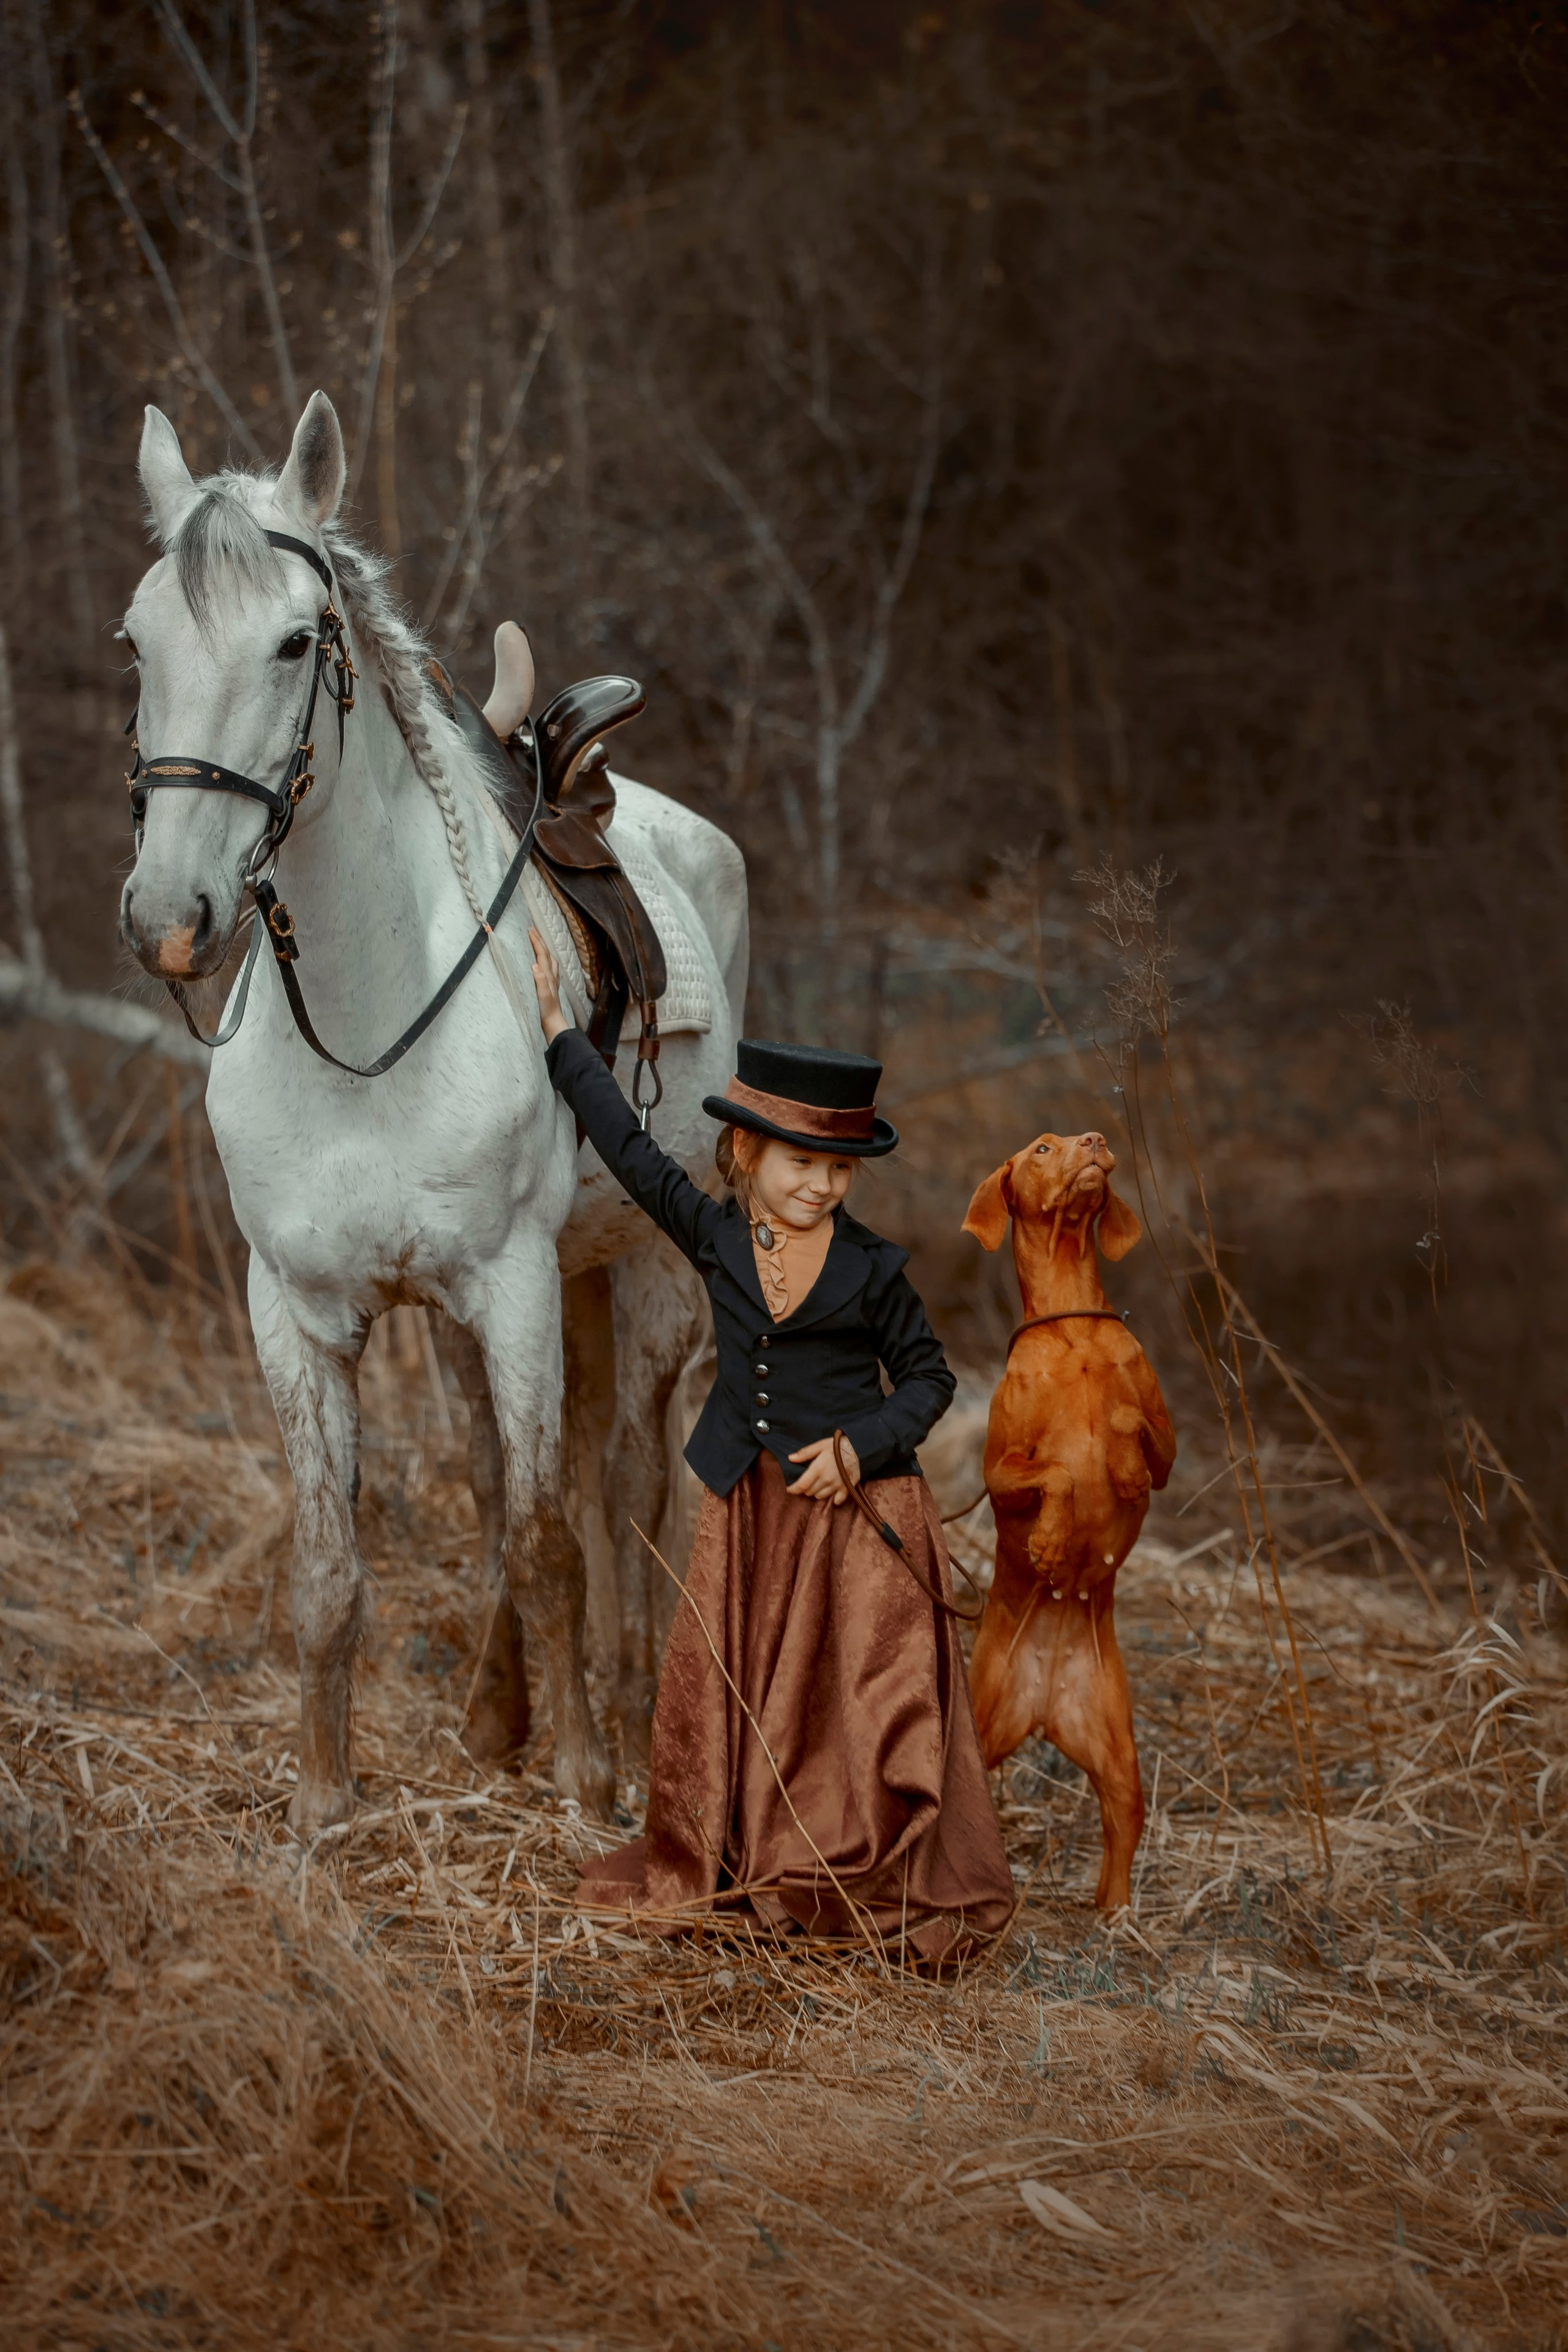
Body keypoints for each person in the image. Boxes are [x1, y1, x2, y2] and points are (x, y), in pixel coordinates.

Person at [529, 928, 1014, 1961]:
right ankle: (750, 1852)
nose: (821, 1187)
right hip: (749, 1511)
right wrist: (563, 1035)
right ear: (748, 1154)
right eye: (802, 1163)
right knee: (745, 1687)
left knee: (857, 1699)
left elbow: (929, 1379)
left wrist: (861, 1447)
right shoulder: (715, 1235)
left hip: (855, 1520)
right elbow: (630, 1150)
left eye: (840, 1169)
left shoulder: (875, 1270)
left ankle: (849, 1862)